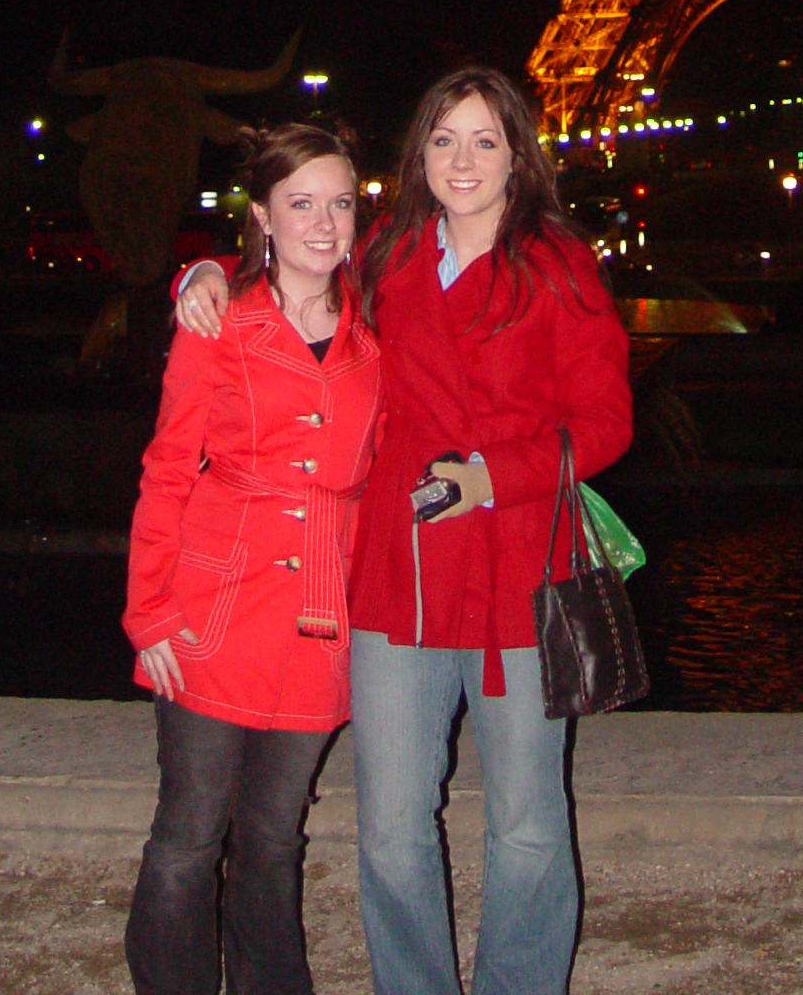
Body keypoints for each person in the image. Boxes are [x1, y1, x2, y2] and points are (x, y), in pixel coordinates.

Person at [179, 68, 632, 995]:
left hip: (519, 578)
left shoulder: (558, 265)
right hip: (398, 574)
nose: (463, 160)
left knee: (528, 823)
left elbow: (608, 421)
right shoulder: (386, 252)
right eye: (444, 140)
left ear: (518, 156)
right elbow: (293, 267)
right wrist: (208, 271)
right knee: (389, 825)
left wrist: (492, 477)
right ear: (419, 153)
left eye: (485, 141)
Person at [123, 124, 382, 995]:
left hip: (320, 611)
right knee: (189, 837)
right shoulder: (220, 319)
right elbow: (167, 468)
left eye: (340, 203)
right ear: (262, 217)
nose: (322, 222)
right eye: (300, 203)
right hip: (215, 605)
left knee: (275, 835)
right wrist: (149, 610)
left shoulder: (378, 332)